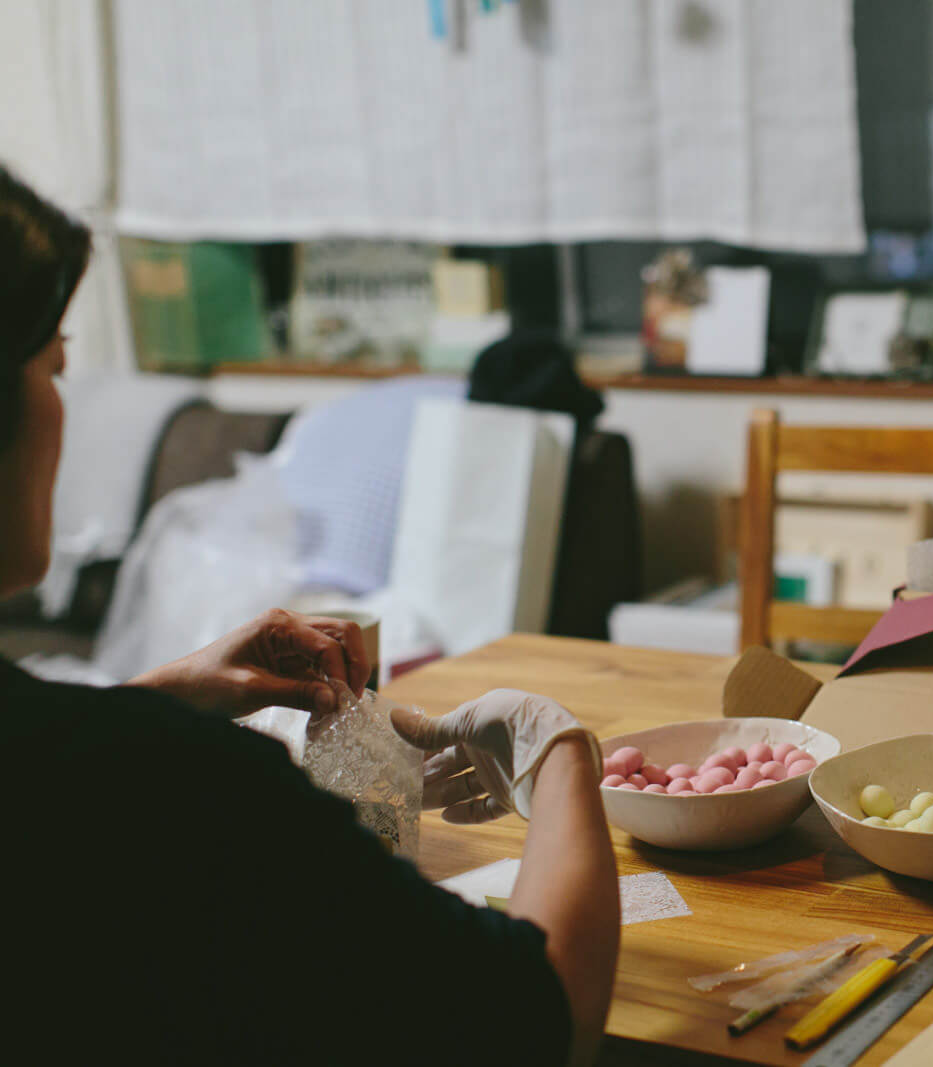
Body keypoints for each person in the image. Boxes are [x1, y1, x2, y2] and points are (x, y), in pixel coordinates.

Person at [0, 166, 619, 1063]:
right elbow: (541, 1015)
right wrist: (560, 753)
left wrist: (166, 692)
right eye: (56, 365)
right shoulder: (194, 793)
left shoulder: (104, 763)